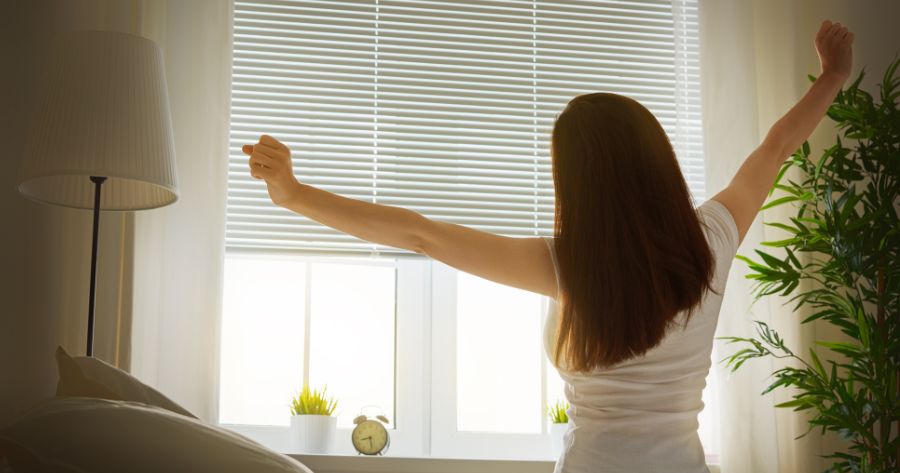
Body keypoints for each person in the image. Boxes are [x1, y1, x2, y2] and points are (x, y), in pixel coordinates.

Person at [242, 19, 854, 473]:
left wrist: (295, 195)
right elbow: (776, 147)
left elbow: (419, 232)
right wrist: (833, 76)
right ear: (659, 164)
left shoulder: (566, 266)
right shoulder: (712, 240)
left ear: (578, 186)